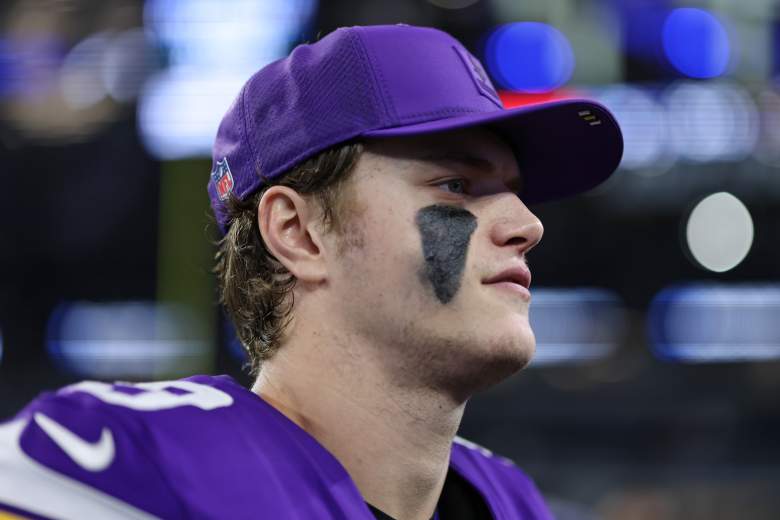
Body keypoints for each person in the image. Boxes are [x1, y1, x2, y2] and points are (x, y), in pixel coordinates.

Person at [0, 24, 622, 520]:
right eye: (456, 184)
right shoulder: (133, 462)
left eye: (515, 190)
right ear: (297, 233)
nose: (528, 224)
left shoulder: (508, 500)